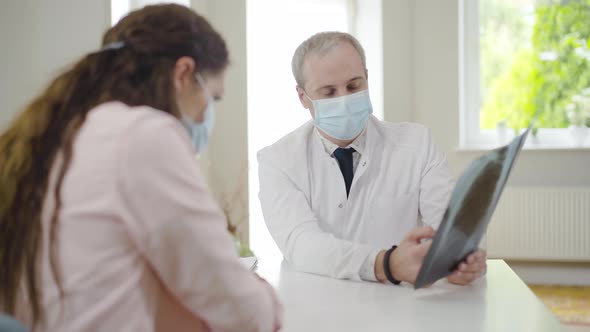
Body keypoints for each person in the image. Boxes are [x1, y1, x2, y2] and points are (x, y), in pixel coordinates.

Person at [0, 4, 281, 332]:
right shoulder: (142, 135)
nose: (209, 116)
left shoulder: (60, 135)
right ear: (183, 74)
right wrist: (262, 296)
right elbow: (242, 311)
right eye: (213, 97)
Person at [258, 31, 486, 286]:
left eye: (353, 86)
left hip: (399, 305)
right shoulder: (277, 161)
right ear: (303, 97)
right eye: (329, 92)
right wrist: (385, 264)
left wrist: (459, 258)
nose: (343, 99)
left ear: (367, 77)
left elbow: (449, 226)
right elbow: (301, 244)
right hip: (316, 304)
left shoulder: (417, 144)